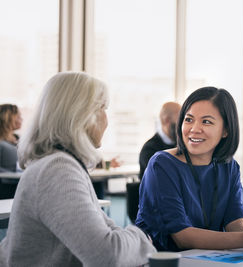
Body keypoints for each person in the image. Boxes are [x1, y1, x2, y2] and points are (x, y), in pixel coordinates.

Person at [0, 72, 156, 266]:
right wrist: (142, 238)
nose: (106, 120)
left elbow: (107, 230)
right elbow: (107, 255)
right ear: (82, 115)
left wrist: (129, 239)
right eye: (103, 108)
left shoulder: (62, 164)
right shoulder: (57, 171)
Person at [136, 87, 243, 252]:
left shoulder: (229, 166)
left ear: (225, 130)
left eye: (206, 121)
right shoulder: (161, 164)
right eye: (189, 119)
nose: (194, 129)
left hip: (206, 259)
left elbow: (234, 223)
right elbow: (182, 237)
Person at [139, 101, 181, 179]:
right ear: (167, 120)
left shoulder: (182, 145)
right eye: (180, 121)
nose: (183, 126)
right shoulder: (149, 149)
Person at [0, 104, 22, 199]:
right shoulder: (1, 143)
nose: (22, 119)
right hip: (6, 187)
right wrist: (12, 174)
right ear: (8, 118)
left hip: (21, 183)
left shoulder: (19, 139)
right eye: (18, 117)